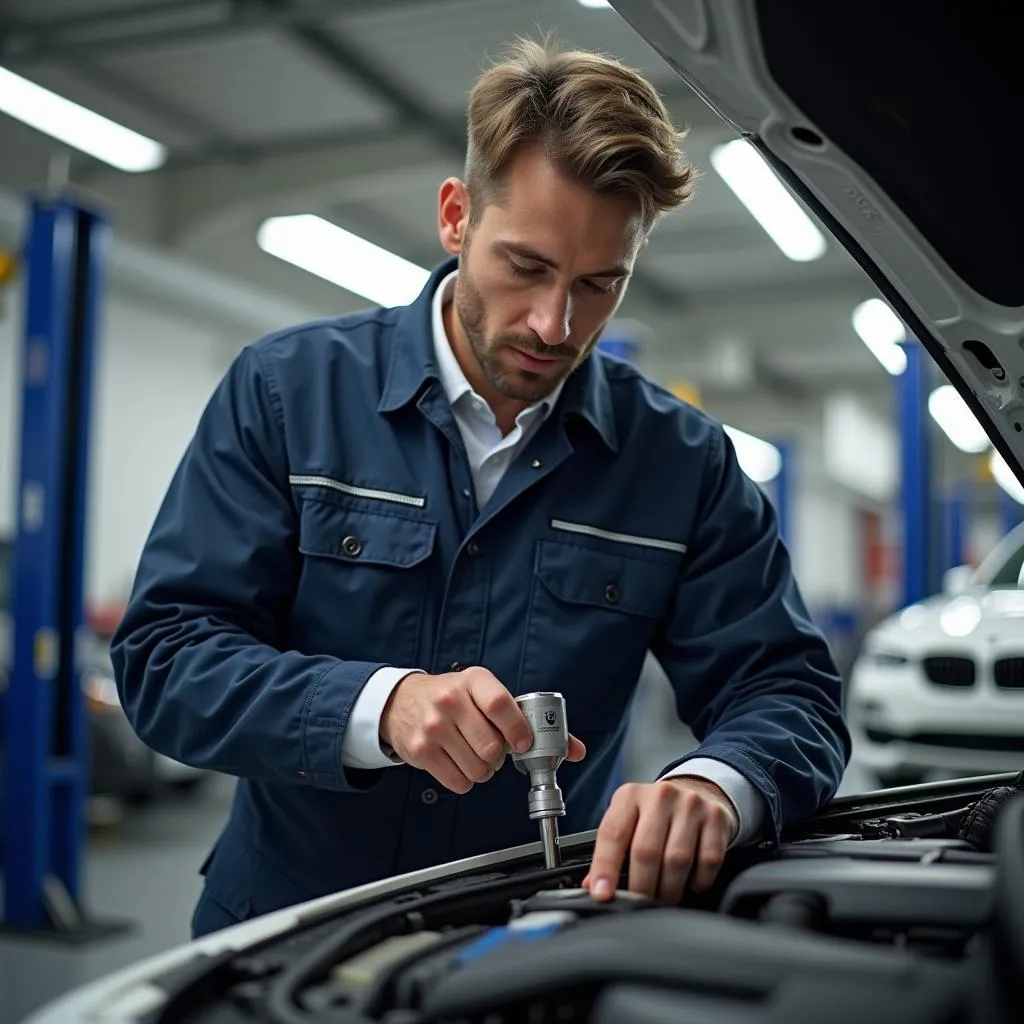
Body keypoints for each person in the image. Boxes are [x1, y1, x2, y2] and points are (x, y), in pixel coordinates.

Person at [111, 38, 850, 938]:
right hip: (288, 932)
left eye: (599, 284)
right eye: (528, 267)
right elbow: (167, 659)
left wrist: (717, 786)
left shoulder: (683, 462)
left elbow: (787, 690)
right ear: (457, 217)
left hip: (541, 937)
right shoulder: (286, 393)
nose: (555, 323)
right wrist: (377, 708)